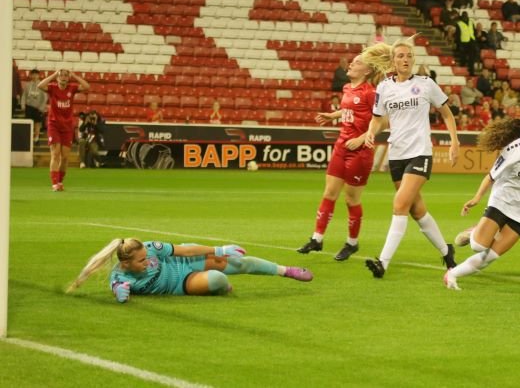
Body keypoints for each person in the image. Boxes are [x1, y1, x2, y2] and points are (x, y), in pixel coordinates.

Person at [361, 37, 460, 278]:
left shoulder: (426, 84)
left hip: (420, 152)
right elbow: (377, 118)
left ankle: (383, 262)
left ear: (413, 59)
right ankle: (446, 250)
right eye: (400, 56)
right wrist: (370, 133)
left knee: (399, 205)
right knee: (417, 210)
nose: (405, 60)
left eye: (409, 56)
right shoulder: (384, 87)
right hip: (397, 155)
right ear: (393, 62)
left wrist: (454, 141)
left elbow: (446, 113)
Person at [444, 109, 520, 290]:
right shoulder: (514, 150)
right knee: (477, 246)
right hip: (502, 202)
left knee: (490, 256)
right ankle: (475, 231)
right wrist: (477, 198)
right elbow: (491, 176)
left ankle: (452, 274)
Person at [297, 55, 383, 261]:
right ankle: (317, 239)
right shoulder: (347, 89)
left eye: (357, 62)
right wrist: (331, 115)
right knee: (329, 192)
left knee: (351, 198)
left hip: (360, 152)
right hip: (341, 146)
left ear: (367, 71)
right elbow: (348, 109)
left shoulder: (371, 93)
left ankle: (352, 243)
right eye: (352, 62)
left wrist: (363, 139)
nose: (352, 64)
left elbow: (382, 122)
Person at [66, 239, 312, 302]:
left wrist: (218, 248)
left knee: (239, 263)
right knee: (218, 280)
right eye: (141, 261)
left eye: (146, 257)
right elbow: (118, 289)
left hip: (184, 263)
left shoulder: (152, 248)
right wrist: (122, 294)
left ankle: (285, 270)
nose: (147, 261)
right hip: (181, 284)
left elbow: (185, 251)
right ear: (126, 264)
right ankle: (221, 288)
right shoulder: (119, 276)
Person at [38, 69, 90, 192]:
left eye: (66, 75)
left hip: (67, 126)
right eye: (61, 75)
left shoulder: (71, 88)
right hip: (54, 124)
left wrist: (75, 76)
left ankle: (60, 181)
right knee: (55, 154)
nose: (63, 77)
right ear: (57, 78)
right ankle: (54, 183)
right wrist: (54, 74)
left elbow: (87, 86)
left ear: (68, 78)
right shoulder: (52, 88)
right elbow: (40, 85)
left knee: (65, 157)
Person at [20, 68, 47, 143]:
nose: (34, 76)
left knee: (37, 123)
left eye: (36, 74)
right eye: (33, 74)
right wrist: (23, 105)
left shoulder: (42, 84)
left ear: (38, 75)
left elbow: (45, 97)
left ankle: (36, 137)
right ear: (30, 75)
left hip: (38, 108)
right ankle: (28, 137)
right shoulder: (27, 85)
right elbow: (24, 96)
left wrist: (42, 107)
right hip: (29, 106)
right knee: (29, 123)